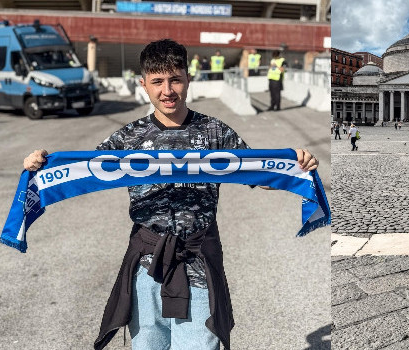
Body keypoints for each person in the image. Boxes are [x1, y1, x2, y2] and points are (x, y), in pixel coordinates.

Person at [22, 39, 319, 350]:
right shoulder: (128, 137)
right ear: (143, 84)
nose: (167, 90)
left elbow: (261, 174)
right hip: (145, 267)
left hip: (198, 262)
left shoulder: (214, 133)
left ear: (188, 79)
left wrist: (296, 166)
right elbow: (81, 169)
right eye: (157, 81)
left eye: (176, 79)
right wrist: (39, 165)